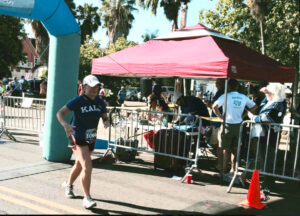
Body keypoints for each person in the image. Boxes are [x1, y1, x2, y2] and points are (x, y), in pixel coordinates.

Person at [56, 75, 110, 209]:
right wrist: (65, 125)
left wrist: (106, 121)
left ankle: (68, 185)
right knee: (87, 165)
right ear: (84, 87)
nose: (94, 89)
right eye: (91, 86)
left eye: (96, 86)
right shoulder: (78, 101)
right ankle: (87, 198)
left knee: (79, 165)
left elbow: (104, 115)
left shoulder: (100, 102)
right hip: (77, 136)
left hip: (91, 137)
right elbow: (60, 113)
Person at [213, 78, 257, 173]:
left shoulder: (225, 96)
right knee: (235, 149)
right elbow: (254, 106)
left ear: (228, 87)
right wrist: (244, 115)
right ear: (237, 87)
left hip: (227, 125)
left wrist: (220, 117)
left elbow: (214, 106)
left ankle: (223, 169)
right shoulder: (243, 97)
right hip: (238, 125)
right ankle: (233, 169)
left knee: (225, 148)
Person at [248, 83, 287, 190]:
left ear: (273, 93)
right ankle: (267, 181)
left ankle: (268, 184)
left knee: (268, 159)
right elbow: (263, 104)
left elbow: (266, 118)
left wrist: (253, 118)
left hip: (271, 135)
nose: (266, 95)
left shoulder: (278, 103)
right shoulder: (273, 102)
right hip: (266, 134)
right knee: (264, 157)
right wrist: (266, 90)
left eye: (268, 93)